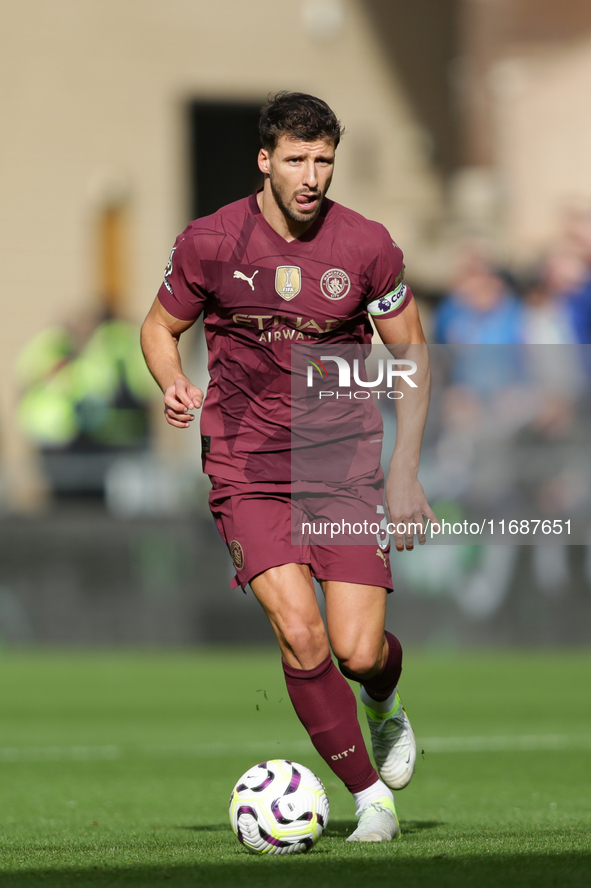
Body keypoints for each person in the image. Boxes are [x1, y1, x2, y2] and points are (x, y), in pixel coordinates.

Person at [141, 92, 435, 843]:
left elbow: (411, 354)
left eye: (324, 161)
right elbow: (158, 326)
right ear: (265, 161)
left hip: (340, 466)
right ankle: (370, 799)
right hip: (245, 465)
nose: (312, 176)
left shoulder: (366, 246)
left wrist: (403, 471)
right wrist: (171, 379)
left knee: (358, 650)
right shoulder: (210, 242)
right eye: (297, 160)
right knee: (302, 636)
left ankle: (382, 701)